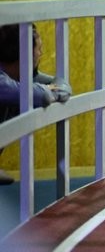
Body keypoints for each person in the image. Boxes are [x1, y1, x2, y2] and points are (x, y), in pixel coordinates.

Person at [0, 24, 72, 184]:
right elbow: (43, 94)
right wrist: (49, 91)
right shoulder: (4, 83)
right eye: (38, 49)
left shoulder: (20, 76)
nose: (41, 54)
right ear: (24, 54)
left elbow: (61, 86)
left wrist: (50, 90)